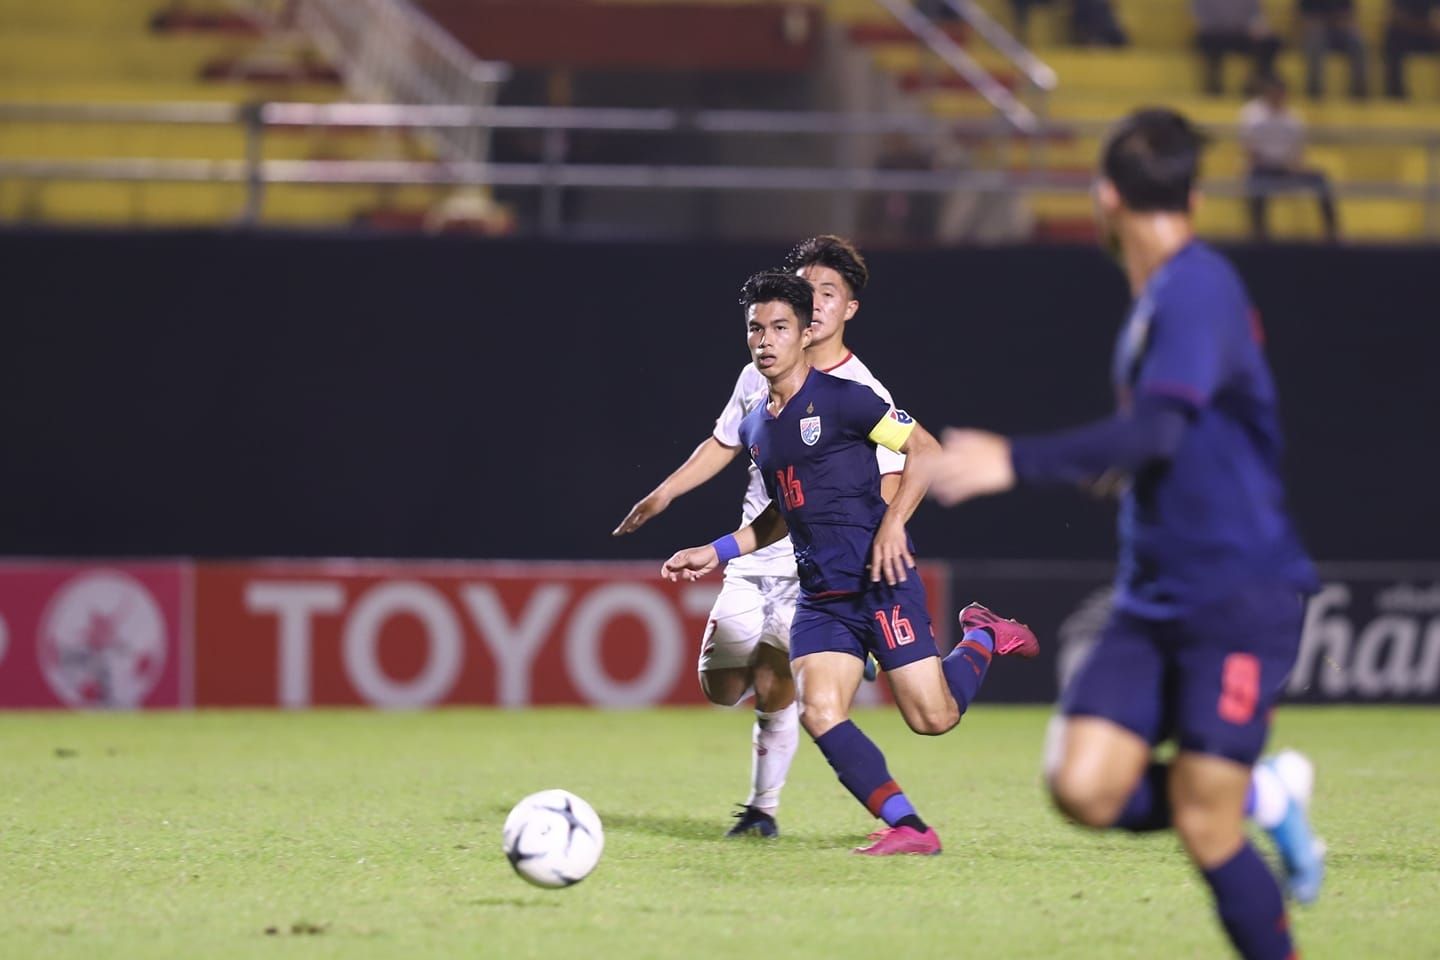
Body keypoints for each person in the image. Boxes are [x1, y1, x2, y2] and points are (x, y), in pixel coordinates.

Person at [929, 109, 1324, 957]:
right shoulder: (1159, 303)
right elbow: (1163, 439)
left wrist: (1014, 460)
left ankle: (1247, 805)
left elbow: (1156, 432)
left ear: (1105, 198)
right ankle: (1263, 795)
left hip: (1238, 597)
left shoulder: (1196, 288)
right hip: (1151, 600)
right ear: (1199, 194)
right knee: (1081, 787)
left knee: (1204, 826)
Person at [662, 270, 1039, 856]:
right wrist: (715, 550)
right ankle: (910, 827)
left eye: (779, 327)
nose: (764, 340)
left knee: (933, 718)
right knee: (819, 710)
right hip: (820, 597)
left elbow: (926, 450)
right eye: (755, 329)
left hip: (878, 584)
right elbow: (781, 514)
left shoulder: (847, 400)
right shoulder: (758, 423)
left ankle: (983, 636)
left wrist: (893, 525)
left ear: (803, 332)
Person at [613, 236, 905, 839]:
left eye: (828, 293)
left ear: (849, 308)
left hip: (816, 571)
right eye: (807, 291)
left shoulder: (863, 395)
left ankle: (761, 811)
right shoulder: (761, 370)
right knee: (721, 687)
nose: (815, 304)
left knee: (779, 681)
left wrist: (872, 562)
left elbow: (899, 473)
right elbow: (724, 443)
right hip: (752, 556)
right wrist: (664, 494)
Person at [1241, 76, 1340, 241]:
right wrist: (1265, 163)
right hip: (1262, 166)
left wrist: (1295, 166)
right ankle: (1259, 234)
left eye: (1281, 94)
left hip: (1287, 167)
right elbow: (1250, 149)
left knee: (1320, 179)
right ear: (1267, 93)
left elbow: (1298, 151)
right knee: (1256, 181)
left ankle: (1332, 232)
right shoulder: (1252, 114)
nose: (1278, 97)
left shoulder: (1293, 117)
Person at [1191, 0, 1281, 96]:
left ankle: (1258, 83)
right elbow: (1201, 18)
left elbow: (1256, 15)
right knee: (1208, 42)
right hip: (1215, 33)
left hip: (1242, 33)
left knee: (1270, 42)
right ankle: (1214, 85)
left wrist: (1257, 28)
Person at [1298, 0, 1368, 99]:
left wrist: (1342, 22)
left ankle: (1360, 91)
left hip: (1340, 30)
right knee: (1315, 40)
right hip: (1318, 31)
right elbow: (1304, 18)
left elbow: (1350, 14)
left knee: (1357, 42)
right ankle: (1314, 91)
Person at [1384, 0, 1440, 99]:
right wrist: (1422, 26)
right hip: (1406, 34)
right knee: (1392, 39)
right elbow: (1396, 16)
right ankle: (1396, 95)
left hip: (1429, 34)